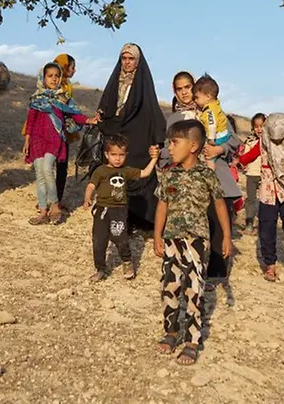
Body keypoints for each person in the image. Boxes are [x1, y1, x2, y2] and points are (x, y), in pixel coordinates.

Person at [154, 119, 232, 366]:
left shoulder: (207, 175)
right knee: (170, 286)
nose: (170, 148)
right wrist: (157, 235)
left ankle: (192, 341)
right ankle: (171, 332)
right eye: (169, 143)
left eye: (175, 143)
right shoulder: (169, 175)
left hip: (197, 241)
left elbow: (220, 205)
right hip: (171, 240)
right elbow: (162, 206)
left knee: (194, 289)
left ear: (193, 146)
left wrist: (227, 236)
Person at [163, 71, 242, 286]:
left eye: (188, 87)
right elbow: (166, 148)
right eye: (179, 89)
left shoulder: (213, 111)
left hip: (217, 174)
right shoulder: (174, 119)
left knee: (218, 222)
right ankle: (188, 271)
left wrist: (219, 150)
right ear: (174, 92)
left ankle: (217, 273)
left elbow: (234, 141)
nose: (184, 92)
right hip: (187, 180)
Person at [235, 113, 284, 282]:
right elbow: (249, 156)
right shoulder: (263, 143)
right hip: (267, 194)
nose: (277, 142)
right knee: (266, 230)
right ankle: (270, 265)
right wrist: (238, 162)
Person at [97, 44, 166, 228]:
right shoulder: (116, 80)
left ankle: (141, 219)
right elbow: (106, 106)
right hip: (117, 135)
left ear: (138, 61)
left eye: (131, 59)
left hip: (137, 136)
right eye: (124, 59)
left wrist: (157, 138)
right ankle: (119, 217)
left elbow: (151, 109)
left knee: (136, 174)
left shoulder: (143, 83)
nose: (127, 63)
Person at [24, 62, 99, 225]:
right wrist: (27, 140)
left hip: (54, 139)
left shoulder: (63, 97)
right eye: (50, 76)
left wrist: (89, 120)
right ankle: (43, 211)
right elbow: (30, 121)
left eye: (57, 76)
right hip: (37, 139)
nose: (54, 79)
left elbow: (76, 115)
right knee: (40, 174)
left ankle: (55, 206)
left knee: (47, 169)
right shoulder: (37, 98)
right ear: (43, 78)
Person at [84, 135, 160, 282]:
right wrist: (87, 198)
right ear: (106, 155)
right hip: (101, 210)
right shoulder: (100, 171)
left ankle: (127, 262)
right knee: (99, 240)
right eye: (113, 155)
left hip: (119, 211)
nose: (117, 159)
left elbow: (145, 173)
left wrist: (154, 159)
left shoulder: (127, 171)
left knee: (121, 238)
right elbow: (91, 186)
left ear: (126, 155)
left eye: (121, 155)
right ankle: (100, 268)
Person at [53, 53, 79, 202]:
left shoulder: (68, 85)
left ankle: (58, 200)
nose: (74, 71)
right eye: (72, 67)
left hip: (64, 130)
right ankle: (46, 201)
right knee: (48, 168)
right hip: (51, 130)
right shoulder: (50, 83)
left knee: (62, 167)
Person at [238, 113, 266, 233]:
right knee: (251, 199)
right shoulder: (250, 141)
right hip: (252, 174)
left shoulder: (269, 142)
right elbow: (245, 157)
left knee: (265, 199)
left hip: (265, 175)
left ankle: (264, 223)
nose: (259, 129)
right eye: (256, 126)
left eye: (262, 126)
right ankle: (249, 222)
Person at [193, 74, 230, 146]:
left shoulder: (209, 110)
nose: (195, 101)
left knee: (210, 154)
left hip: (218, 137)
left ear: (208, 97)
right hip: (224, 134)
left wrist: (211, 139)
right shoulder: (215, 104)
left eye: (197, 97)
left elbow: (211, 124)